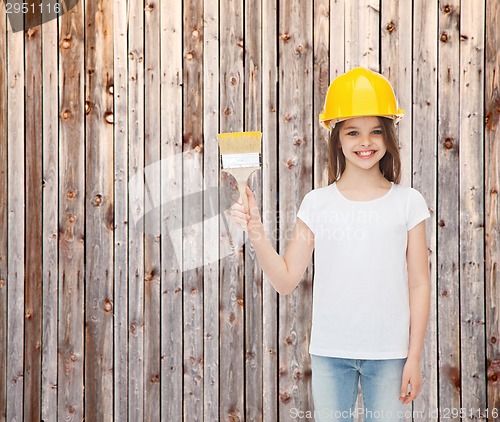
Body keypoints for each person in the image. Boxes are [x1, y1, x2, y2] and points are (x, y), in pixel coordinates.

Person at [229, 67, 431, 422]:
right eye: (353, 132)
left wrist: (413, 356)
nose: (364, 142)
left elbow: (419, 284)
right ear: (337, 138)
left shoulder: (409, 202)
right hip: (330, 352)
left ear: (388, 138)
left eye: (375, 132)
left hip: (390, 353)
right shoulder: (317, 203)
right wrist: (256, 229)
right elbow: (287, 279)